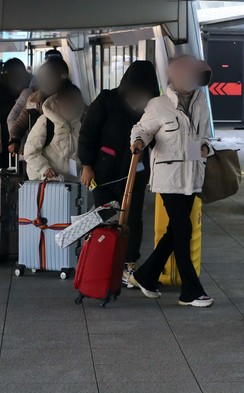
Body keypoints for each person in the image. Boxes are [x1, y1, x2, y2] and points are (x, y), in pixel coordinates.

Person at [127, 55, 214, 308]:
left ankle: (145, 276)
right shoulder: (159, 104)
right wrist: (139, 142)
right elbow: (141, 128)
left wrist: (206, 148)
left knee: (175, 231)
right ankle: (191, 290)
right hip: (168, 177)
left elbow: (205, 135)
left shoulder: (201, 103)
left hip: (193, 175)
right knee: (183, 230)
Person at [78, 61, 160, 286]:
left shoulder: (153, 107)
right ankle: (100, 259)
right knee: (105, 216)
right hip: (103, 173)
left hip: (136, 173)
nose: (138, 96)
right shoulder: (107, 100)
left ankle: (128, 264)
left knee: (132, 219)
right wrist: (86, 164)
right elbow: (87, 133)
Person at [23, 81, 84, 181]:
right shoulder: (46, 121)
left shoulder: (80, 123)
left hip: (71, 184)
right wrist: (45, 168)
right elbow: (30, 152)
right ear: (58, 101)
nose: (71, 106)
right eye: (68, 102)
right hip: (45, 182)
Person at [8, 58, 70, 154]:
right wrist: (14, 140)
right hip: (38, 154)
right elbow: (20, 124)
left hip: (63, 152)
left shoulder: (70, 98)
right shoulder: (33, 100)